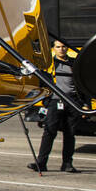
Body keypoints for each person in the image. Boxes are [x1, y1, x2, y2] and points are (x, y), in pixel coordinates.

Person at [29, 40, 83, 173]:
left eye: (64, 46)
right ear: (54, 49)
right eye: (58, 47)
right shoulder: (50, 64)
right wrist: (45, 101)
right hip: (54, 102)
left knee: (70, 134)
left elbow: (82, 83)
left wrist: (85, 104)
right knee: (49, 132)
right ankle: (41, 163)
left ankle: (67, 164)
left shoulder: (73, 64)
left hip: (71, 102)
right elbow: (41, 82)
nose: (61, 49)